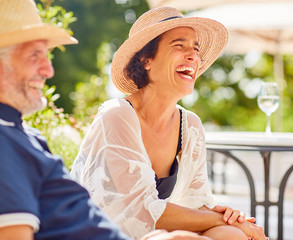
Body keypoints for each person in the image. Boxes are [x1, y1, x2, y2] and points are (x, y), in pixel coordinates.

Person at [0, 1, 209, 240]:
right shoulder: (5, 142)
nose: (48, 70)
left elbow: (82, 216)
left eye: (46, 55)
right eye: (34, 55)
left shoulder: (29, 139)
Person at [71, 7, 268, 240]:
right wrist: (218, 218)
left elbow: (196, 204)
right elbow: (143, 211)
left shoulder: (190, 126)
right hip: (103, 234)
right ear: (146, 59)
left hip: (154, 233)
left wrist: (232, 219)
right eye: (179, 45)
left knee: (231, 234)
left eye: (195, 48)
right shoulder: (117, 115)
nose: (193, 56)